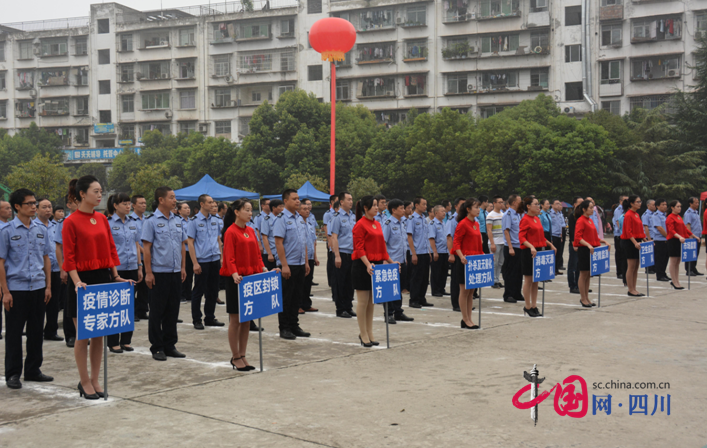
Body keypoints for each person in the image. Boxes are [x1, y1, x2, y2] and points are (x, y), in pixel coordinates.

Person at [63, 176, 131, 399]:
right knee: (84, 334)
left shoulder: (102, 219)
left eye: (101, 191)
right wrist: (76, 282)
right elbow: (69, 257)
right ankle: (84, 381)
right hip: (81, 281)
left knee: (100, 333)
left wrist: (116, 276)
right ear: (82, 194)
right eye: (95, 191)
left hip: (103, 277)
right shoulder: (70, 221)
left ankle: (95, 379)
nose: (100, 194)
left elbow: (110, 250)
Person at [0, 189, 54, 389]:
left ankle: (33, 370)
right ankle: (13, 374)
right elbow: (1, 262)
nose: (34, 206)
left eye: (34, 203)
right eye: (29, 204)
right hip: (17, 289)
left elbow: (46, 258)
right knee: (14, 333)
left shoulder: (41, 230)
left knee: (36, 331)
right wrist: (5, 291)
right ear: (17, 207)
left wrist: (48, 286)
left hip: (38, 287)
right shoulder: (6, 231)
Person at [220, 199, 270, 371]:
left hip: (250, 278)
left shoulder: (250, 230)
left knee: (248, 319)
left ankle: (243, 354)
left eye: (251, 210)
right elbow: (229, 256)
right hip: (236, 279)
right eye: (247, 210)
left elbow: (256, 253)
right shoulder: (230, 232)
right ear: (237, 212)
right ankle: (235, 356)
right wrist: (234, 272)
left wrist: (261, 267)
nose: (250, 213)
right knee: (235, 319)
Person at [142, 187, 187, 361]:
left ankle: (170, 344)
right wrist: (148, 273)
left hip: (175, 272)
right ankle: (157, 346)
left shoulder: (177, 220)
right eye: (171, 197)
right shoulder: (151, 221)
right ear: (161, 200)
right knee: (157, 311)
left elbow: (182, 245)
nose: (175, 200)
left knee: (172, 310)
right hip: (159, 272)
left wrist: (183, 267)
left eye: (175, 197)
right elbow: (147, 249)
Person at [352, 196, 397, 346]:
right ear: (365, 208)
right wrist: (367, 264)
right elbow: (359, 248)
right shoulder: (360, 225)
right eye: (374, 205)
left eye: (378, 205)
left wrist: (391, 262)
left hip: (375, 264)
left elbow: (382, 248)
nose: (377, 208)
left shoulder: (377, 224)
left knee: (372, 302)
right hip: (363, 264)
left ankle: (370, 332)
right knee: (363, 301)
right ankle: (363, 333)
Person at [106, 193, 142, 353]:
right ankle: (113, 341)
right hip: (116, 269)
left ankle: (126, 340)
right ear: (115, 206)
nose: (128, 206)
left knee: (129, 305)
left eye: (129, 203)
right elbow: (107, 249)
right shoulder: (107, 223)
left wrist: (140, 266)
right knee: (114, 306)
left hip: (132, 268)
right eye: (124, 204)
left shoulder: (133, 223)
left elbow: (137, 245)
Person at [273, 189, 311, 340]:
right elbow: (278, 242)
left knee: (297, 297)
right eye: (294, 199)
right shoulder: (281, 219)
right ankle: (285, 328)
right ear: (285, 201)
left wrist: (306, 262)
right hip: (289, 265)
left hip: (301, 264)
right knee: (286, 298)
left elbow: (304, 242)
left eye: (298, 199)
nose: (298, 201)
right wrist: (284, 265)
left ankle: (294, 325)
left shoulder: (300, 218)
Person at [187, 194, 224, 329]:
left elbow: (218, 239)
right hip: (202, 260)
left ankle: (210, 317)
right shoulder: (194, 221)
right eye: (209, 202)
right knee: (199, 290)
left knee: (213, 290)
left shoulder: (216, 220)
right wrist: (195, 263)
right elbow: (190, 242)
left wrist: (221, 257)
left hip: (214, 259)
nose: (212, 204)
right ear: (202, 204)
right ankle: (197, 319)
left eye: (213, 202)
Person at [518, 197, 557, 317]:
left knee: (536, 280)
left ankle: (534, 306)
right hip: (529, 252)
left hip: (538, 251)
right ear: (528, 206)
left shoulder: (537, 219)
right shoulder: (525, 219)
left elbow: (541, 237)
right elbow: (522, 237)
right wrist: (531, 247)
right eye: (535, 204)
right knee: (529, 280)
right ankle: (527, 306)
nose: (538, 206)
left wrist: (550, 245)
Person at [33, 199, 63, 343]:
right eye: (44, 207)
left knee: (54, 302)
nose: (47, 209)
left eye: (49, 207)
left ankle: (51, 330)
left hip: (56, 269)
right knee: (39, 302)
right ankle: (36, 330)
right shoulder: (33, 226)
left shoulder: (56, 226)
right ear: (37, 209)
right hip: (39, 271)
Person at [452, 198, 484, 329]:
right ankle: (465, 319)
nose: (478, 210)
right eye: (476, 207)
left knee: (471, 291)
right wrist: (461, 256)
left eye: (478, 207)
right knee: (464, 291)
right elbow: (456, 243)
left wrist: (484, 256)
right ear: (468, 209)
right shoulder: (462, 224)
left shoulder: (476, 223)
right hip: (465, 261)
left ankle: (470, 318)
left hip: (475, 261)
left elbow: (478, 245)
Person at [382, 199, 414, 323]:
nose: (403, 210)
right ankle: (389, 313)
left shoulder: (403, 223)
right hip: (391, 261)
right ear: (393, 210)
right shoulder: (388, 223)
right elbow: (383, 243)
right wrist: (386, 260)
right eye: (401, 208)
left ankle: (398, 312)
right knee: (390, 288)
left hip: (402, 261)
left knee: (399, 288)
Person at [574, 200, 610, 307]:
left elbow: (594, 236)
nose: (592, 209)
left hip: (592, 249)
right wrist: (588, 245)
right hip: (585, 249)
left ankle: (587, 297)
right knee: (583, 274)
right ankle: (583, 298)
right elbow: (578, 237)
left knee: (589, 274)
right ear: (584, 209)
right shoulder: (581, 220)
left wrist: (604, 241)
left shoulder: (589, 220)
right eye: (590, 207)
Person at [54, 195, 78, 347]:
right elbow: (59, 247)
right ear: (69, 204)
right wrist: (63, 267)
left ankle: (83, 333)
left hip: (85, 268)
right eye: (75, 201)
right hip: (70, 268)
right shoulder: (64, 223)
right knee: (71, 303)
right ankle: (70, 335)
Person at [329, 192, 357, 318]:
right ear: (341, 202)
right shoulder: (337, 217)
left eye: (352, 199)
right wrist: (337, 256)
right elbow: (334, 237)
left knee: (350, 282)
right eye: (348, 199)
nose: (351, 202)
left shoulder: (353, 216)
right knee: (340, 282)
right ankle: (340, 309)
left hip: (352, 254)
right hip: (342, 253)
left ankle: (348, 306)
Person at [665, 200, 699, 290]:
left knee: (678, 262)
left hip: (680, 240)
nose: (679, 208)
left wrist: (694, 236)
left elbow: (685, 228)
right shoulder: (670, 217)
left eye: (680, 206)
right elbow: (671, 230)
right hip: (673, 240)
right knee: (673, 261)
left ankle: (677, 281)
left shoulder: (679, 217)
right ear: (672, 207)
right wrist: (679, 236)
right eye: (677, 206)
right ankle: (674, 281)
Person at [407, 197, 433, 309]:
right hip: (417, 252)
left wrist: (429, 252)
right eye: (423, 204)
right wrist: (413, 253)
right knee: (416, 277)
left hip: (425, 252)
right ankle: (414, 299)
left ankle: (422, 298)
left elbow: (426, 237)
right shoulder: (412, 219)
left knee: (424, 277)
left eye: (426, 204)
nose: (425, 206)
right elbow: (409, 236)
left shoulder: (424, 219)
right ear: (416, 205)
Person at [621, 195, 646, 297]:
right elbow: (628, 231)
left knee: (636, 266)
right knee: (631, 266)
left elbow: (639, 230)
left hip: (637, 241)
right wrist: (635, 242)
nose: (639, 203)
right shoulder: (628, 215)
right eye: (637, 202)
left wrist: (646, 240)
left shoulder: (636, 214)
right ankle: (630, 289)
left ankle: (634, 288)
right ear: (631, 203)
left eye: (640, 201)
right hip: (630, 242)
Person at [502, 194, 523, 303]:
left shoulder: (519, 214)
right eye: (520, 200)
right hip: (512, 247)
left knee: (519, 272)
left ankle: (517, 293)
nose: (521, 202)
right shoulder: (508, 214)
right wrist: (510, 247)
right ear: (514, 202)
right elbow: (506, 231)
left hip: (519, 246)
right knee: (510, 272)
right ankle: (508, 294)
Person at [299, 199, 319, 313]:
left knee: (308, 282)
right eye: (304, 209)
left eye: (308, 209)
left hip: (310, 256)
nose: (307, 211)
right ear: (299, 211)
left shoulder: (310, 224)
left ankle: (306, 304)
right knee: (301, 283)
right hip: (302, 258)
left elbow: (313, 242)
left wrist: (315, 257)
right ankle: (298, 305)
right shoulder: (299, 224)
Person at [446, 197, 466, 310]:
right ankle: (456, 303)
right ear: (456, 206)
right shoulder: (452, 220)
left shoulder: (467, 219)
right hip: (457, 254)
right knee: (456, 280)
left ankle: (463, 303)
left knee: (464, 280)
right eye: (462, 204)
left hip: (466, 254)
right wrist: (451, 253)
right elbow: (450, 238)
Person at [428, 205, 449, 297]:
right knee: (436, 272)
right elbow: (431, 239)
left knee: (444, 272)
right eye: (442, 211)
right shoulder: (433, 224)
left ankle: (442, 288)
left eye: (444, 211)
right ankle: (435, 290)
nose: (444, 213)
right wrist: (435, 252)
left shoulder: (444, 223)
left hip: (445, 251)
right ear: (436, 213)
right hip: (437, 251)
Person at [487, 196, 505, 289]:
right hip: (495, 242)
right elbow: (489, 230)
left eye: (502, 202)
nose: (502, 204)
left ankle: (497, 279)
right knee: (494, 262)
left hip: (502, 241)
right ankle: (493, 280)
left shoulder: (503, 214)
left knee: (500, 262)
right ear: (494, 203)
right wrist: (492, 243)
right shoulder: (490, 215)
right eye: (499, 202)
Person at [260, 199, 283, 271]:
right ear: (273, 208)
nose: (282, 209)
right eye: (280, 207)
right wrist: (269, 254)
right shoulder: (266, 220)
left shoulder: (281, 219)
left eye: (283, 206)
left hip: (280, 253)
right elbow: (264, 237)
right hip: (271, 253)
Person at [177, 202, 193, 303]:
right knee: (183, 272)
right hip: (183, 250)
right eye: (185, 208)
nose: (188, 209)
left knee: (190, 272)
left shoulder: (191, 221)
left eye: (188, 207)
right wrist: (191, 241)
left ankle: (188, 293)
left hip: (191, 250)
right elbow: (182, 237)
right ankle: (181, 294)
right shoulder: (178, 221)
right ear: (179, 211)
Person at [567, 196, 583, 294]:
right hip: (575, 244)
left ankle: (579, 285)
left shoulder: (582, 215)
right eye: (580, 203)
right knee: (573, 265)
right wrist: (574, 244)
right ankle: (572, 285)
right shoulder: (572, 215)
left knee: (579, 266)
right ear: (575, 204)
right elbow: (572, 231)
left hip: (582, 244)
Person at [651, 199, 671, 282]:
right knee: (660, 258)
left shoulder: (665, 215)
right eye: (663, 204)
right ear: (657, 206)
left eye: (666, 204)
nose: (665, 206)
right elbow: (659, 228)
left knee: (665, 258)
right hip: (659, 240)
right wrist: (668, 236)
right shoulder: (656, 215)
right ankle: (659, 275)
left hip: (666, 240)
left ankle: (663, 273)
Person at [683, 197, 703, 276]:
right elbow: (688, 225)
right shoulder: (688, 213)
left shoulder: (696, 212)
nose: (697, 204)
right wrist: (690, 236)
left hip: (698, 236)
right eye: (696, 203)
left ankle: (693, 268)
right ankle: (689, 269)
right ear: (690, 203)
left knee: (696, 253)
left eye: (698, 203)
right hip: (692, 236)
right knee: (690, 254)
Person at [322, 195, 337, 291]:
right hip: (331, 240)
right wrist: (329, 241)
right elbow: (326, 227)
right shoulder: (328, 214)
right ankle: (331, 282)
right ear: (332, 202)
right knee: (331, 262)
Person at [612, 203, 627, 285]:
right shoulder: (620, 213)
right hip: (620, 236)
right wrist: (622, 234)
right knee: (620, 255)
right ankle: (620, 272)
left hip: (624, 237)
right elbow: (618, 222)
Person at [549, 200, 566, 273]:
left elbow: (560, 225)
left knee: (559, 253)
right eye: (556, 204)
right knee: (553, 253)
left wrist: (561, 236)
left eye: (559, 204)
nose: (558, 205)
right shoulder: (550, 213)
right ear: (552, 205)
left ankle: (556, 269)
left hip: (559, 235)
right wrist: (551, 238)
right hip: (553, 235)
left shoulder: (559, 213)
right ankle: (552, 269)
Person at [642, 199, 656, 275]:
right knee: (649, 253)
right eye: (653, 205)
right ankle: (648, 269)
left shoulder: (655, 214)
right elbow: (645, 227)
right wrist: (649, 238)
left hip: (655, 236)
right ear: (648, 205)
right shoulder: (646, 215)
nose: (655, 206)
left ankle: (653, 268)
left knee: (654, 253)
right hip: (649, 236)